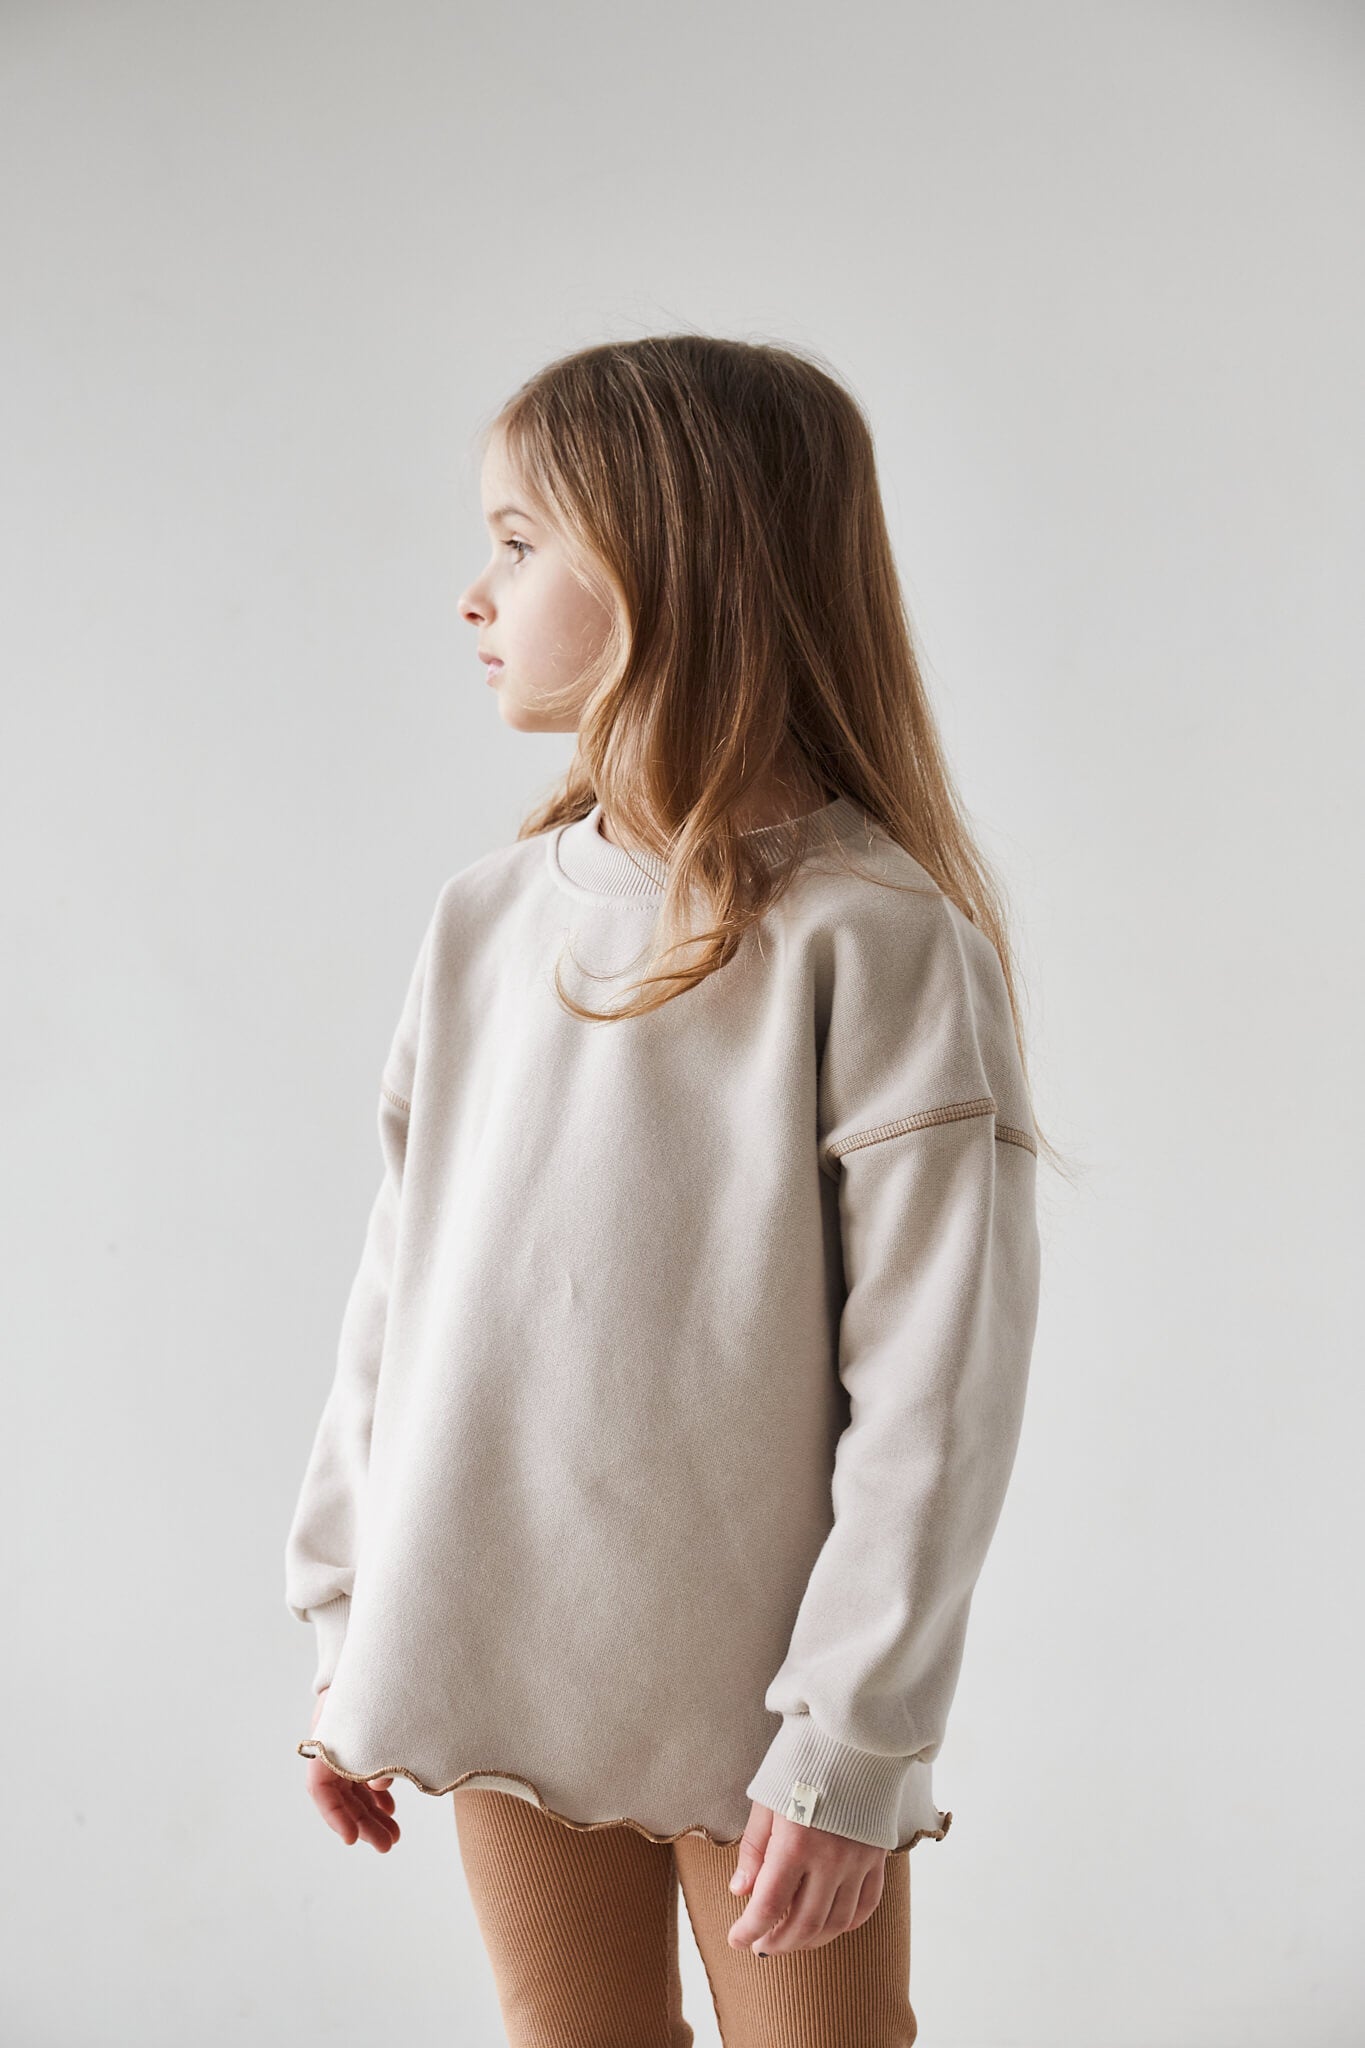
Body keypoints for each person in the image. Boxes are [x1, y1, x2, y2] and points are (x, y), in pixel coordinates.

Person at [284, 333, 1049, 2047]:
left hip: (760, 1711)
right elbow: (402, 1293)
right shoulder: (485, 920)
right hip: (491, 1643)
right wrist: (352, 1617)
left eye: (516, 539)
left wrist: (849, 1742)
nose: (472, 593)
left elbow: (936, 1394)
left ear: (676, 565)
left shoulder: (875, 941)